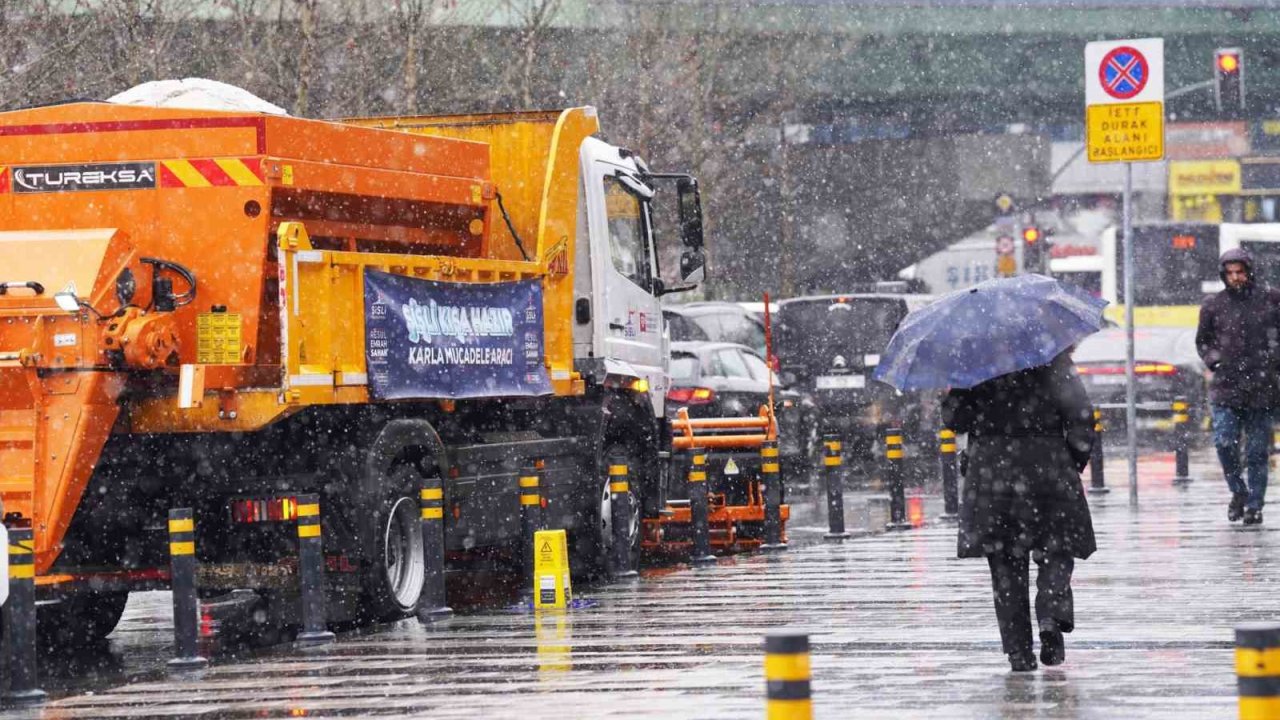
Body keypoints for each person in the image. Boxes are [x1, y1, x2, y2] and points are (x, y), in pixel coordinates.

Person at [943, 350, 1096, 672]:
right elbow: (1080, 413)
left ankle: (1019, 653)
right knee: (1057, 548)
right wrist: (1072, 460)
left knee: (1005, 565)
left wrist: (958, 388)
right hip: (1048, 464)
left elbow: (955, 421)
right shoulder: (1050, 354)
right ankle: (1051, 615)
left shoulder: (975, 360)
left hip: (992, 472)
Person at [1195, 247, 1280, 526]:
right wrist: (1214, 360)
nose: (1235, 277)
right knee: (1224, 442)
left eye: (1239, 272)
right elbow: (1203, 341)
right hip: (1226, 387)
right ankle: (1239, 492)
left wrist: (1273, 360)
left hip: (1262, 388)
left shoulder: (1270, 300)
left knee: (1257, 451)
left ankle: (1255, 505)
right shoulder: (1213, 305)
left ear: (1249, 271)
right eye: (1230, 273)